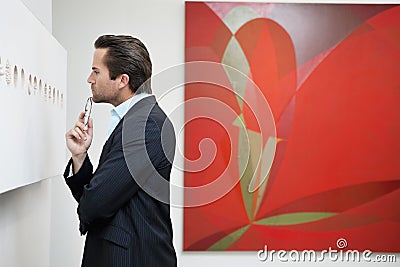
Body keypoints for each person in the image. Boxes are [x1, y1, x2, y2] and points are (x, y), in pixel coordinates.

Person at [64, 34, 177, 267]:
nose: (89, 79)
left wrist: (90, 203)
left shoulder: (145, 126)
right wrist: (80, 156)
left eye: (96, 72)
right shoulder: (135, 121)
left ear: (122, 80)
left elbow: (95, 204)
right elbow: (98, 197)